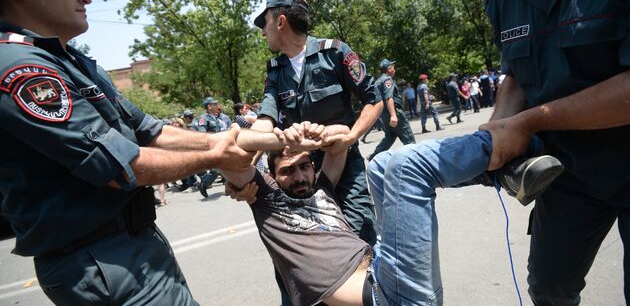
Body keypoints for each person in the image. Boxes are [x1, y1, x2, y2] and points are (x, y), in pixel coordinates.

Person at [0, 0, 252, 304]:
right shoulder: (21, 70)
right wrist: (218, 156)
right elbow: (123, 166)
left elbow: (151, 130)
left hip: (131, 244)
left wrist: (233, 140)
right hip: (101, 260)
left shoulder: (69, 61)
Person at [223, 122, 564, 306]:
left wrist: (315, 137)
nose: (298, 177)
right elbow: (231, 152)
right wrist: (280, 138)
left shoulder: (322, 187)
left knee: (383, 165)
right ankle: (520, 143)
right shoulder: (268, 203)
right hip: (388, 297)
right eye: (287, 171)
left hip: (384, 268)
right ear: (273, 177)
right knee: (406, 166)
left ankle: (502, 172)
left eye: (303, 167)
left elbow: (343, 137)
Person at [482, 0, 630, 304]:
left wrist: (528, 123)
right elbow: (516, 77)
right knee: (549, 287)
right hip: (568, 173)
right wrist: (496, 129)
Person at [251, 0, 383, 245]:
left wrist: (352, 137)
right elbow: (265, 119)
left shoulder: (334, 52)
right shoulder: (276, 70)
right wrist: (245, 161)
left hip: (346, 164)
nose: (262, 32)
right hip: (301, 171)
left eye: (264, 23)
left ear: (280, 21)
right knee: (313, 243)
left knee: (358, 235)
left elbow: (374, 99)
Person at [366, 59, 415, 161]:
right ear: (389, 69)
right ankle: (415, 160)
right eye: (393, 67)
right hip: (393, 111)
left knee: (390, 137)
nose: (394, 68)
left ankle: (374, 156)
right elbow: (389, 97)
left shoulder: (378, 81)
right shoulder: (388, 80)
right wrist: (393, 115)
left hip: (383, 114)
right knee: (408, 138)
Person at [195, 96, 229, 197]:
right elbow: (202, 134)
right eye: (214, 104)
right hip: (212, 148)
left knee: (227, 166)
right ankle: (203, 184)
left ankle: (229, 188)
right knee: (216, 170)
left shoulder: (216, 117)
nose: (217, 106)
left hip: (221, 146)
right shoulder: (203, 118)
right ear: (209, 107)